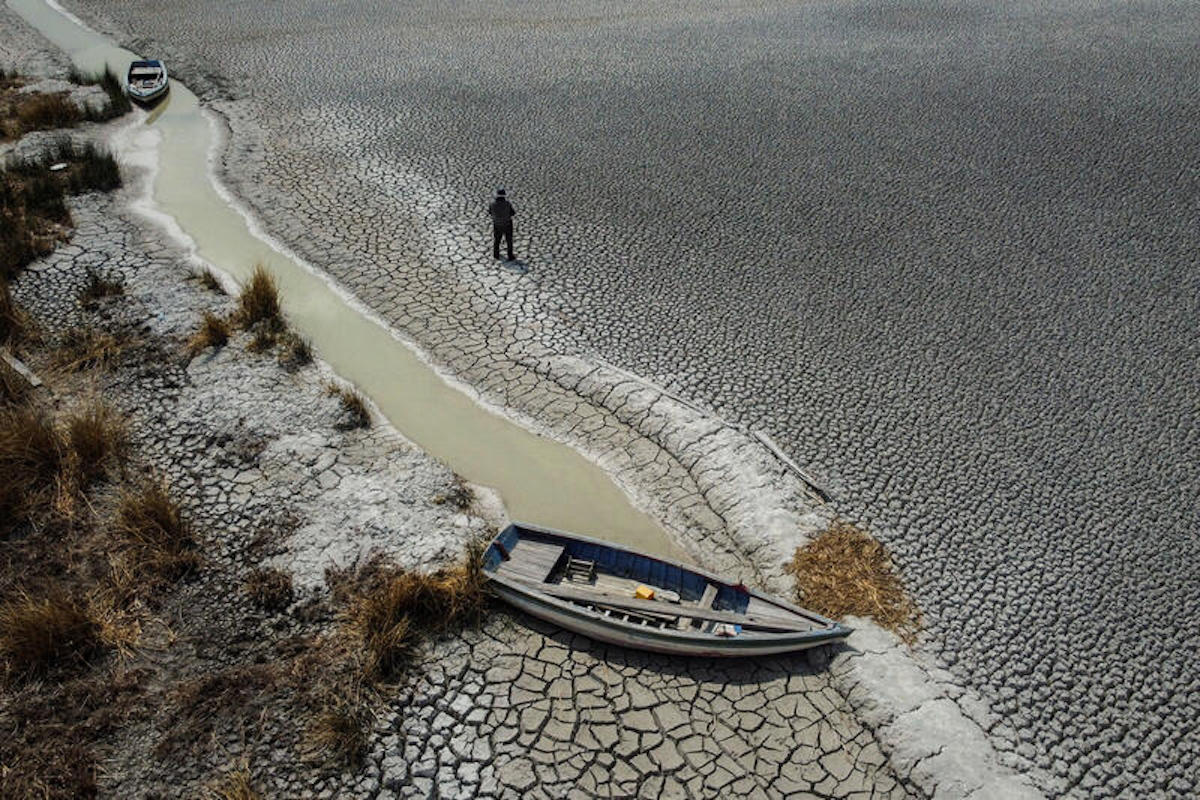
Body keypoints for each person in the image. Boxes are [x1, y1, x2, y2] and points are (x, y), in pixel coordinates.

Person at [488, 188, 516, 261]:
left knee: (497, 240)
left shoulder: (492, 204)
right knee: (509, 240)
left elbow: (490, 212)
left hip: (497, 224)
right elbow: (513, 213)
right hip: (507, 224)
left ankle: (496, 254)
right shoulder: (507, 204)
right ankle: (510, 255)